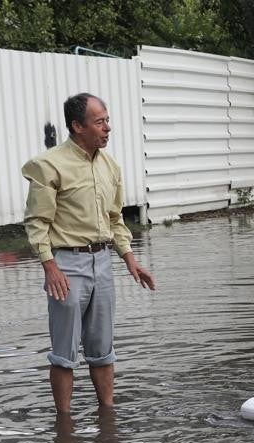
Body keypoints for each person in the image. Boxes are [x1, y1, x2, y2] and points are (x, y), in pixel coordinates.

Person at [23, 93, 156, 414]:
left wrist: (130, 259)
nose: (108, 128)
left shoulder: (110, 166)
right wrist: (49, 267)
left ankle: (108, 415)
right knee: (64, 352)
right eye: (100, 122)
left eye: (107, 120)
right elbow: (37, 222)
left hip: (102, 263)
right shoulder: (49, 165)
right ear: (77, 126)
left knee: (102, 349)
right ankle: (64, 424)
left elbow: (115, 219)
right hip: (66, 265)